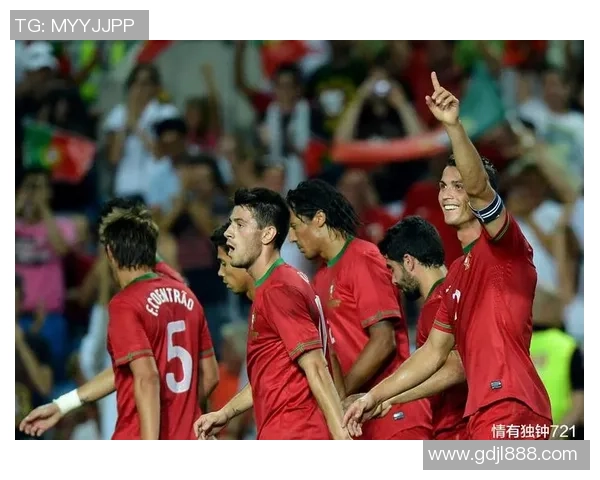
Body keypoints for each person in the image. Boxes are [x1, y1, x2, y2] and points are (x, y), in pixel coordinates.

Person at [343, 72, 552, 441]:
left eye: (457, 186)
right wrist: (377, 397)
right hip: (483, 413)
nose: (446, 194)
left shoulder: (505, 244)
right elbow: (434, 351)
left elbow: (479, 188)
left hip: (511, 403)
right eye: (442, 186)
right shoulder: (455, 273)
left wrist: (453, 127)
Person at [19, 203, 219, 440]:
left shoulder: (125, 304)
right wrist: (63, 405)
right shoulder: (188, 297)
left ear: (110, 255)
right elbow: (210, 375)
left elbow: (147, 377)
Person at [194, 188, 350, 440]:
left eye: (239, 224)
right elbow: (271, 376)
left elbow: (316, 365)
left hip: (296, 434)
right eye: (231, 224)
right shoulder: (279, 283)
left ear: (267, 234)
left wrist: (343, 439)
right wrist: (225, 412)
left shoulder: (279, 289)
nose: (229, 232)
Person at [286, 179, 432, 440]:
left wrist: (339, 397)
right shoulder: (319, 279)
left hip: (395, 415)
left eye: (296, 226)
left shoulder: (363, 258)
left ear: (319, 219)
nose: (292, 237)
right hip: (361, 420)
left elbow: (384, 341)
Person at [375, 217, 468, 440]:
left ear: (408, 261)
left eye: (392, 268)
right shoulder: (457, 293)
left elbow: (459, 367)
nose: (393, 280)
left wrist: (388, 397)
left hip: (458, 429)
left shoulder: (437, 307)